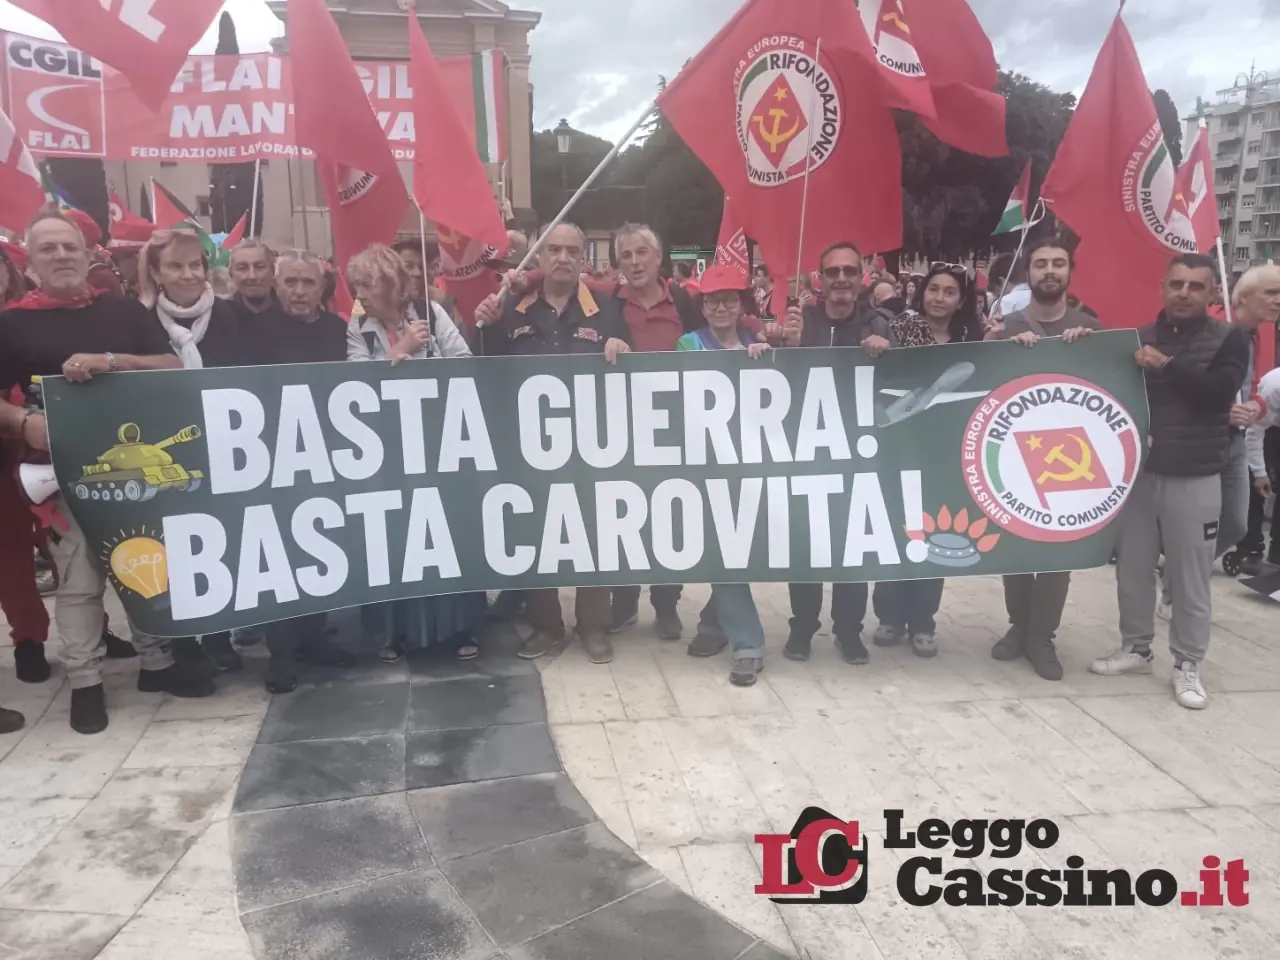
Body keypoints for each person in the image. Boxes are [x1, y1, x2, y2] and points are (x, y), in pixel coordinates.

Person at [0, 206, 209, 735]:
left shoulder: (122, 311)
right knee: (77, 578)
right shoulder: (11, 323)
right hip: (59, 472)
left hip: (136, 472)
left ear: (86, 253)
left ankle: (156, 663)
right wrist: (23, 422)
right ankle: (85, 682)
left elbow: (169, 365)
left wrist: (112, 361)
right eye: (48, 248)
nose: (61, 256)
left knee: (143, 561)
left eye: (69, 246)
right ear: (29, 261)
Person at [1093, 254, 1250, 710]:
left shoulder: (1230, 339)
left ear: (1213, 293)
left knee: (1190, 577)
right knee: (1133, 568)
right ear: (1162, 287)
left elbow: (1218, 393)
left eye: (1195, 286)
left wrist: (1164, 364)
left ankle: (1187, 662)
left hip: (1196, 473)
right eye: (1177, 284)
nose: (1184, 293)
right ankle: (1136, 647)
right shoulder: (1137, 337)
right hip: (1140, 474)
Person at [483, 222, 632, 664]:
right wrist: (485, 326)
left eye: (571, 250)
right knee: (536, 533)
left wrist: (624, 347)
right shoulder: (513, 310)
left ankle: (594, 625)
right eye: (554, 249)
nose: (563, 257)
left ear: (584, 258)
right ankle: (547, 625)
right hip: (530, 446)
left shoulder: (606, 311)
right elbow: (486, 368)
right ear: (540, 257)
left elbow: (629, 364)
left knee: (593, 533)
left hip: (590, 445)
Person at [344, 244, 486, 666]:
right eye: (356, 286)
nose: (360, 294)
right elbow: (352, 385)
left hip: (439, 447)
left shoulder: (433, 314)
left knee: (447, 533)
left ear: (390, 284)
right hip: (387, 454)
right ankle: (394, 632)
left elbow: (465, 363)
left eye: (367, 285)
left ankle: (459, 627)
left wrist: (429, 361)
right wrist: (397, 352)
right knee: (396, 539)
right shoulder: (358, 327)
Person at [141, 228, 259, 673]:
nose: (188, 274)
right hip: (165, 446)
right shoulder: (141, 320)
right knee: (174, 544)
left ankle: (217, 633)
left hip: (225, 444)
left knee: (218, 540)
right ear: (157, 273)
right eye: (176, 266)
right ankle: (180, 637)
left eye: (195, 265)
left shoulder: (231, 316)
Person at [780, 241, 894, 665]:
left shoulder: (879, 323)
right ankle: (803, 627)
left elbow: (902, 383)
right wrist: (787, 347)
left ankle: (848, 630)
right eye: (833, 271)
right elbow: (775, 386)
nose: (841, 278)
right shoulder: (801, 322)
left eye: (849, 270)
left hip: (860, 456)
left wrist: (887, 351)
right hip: (806, 453)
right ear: (820, 279)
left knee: (853, 548)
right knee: (805, 546)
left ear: (862, 276)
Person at [993, 239, 1102, 680]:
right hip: (1013, 454)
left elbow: (1107, 389)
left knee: (1058, 555)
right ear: (1028, 273)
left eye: (1058, 263)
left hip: (1070, 455)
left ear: (1070, 271)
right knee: (1015, 550)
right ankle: (1019, 626)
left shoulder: (1090, 327)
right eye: (1041, 264)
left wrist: (1090, 351)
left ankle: (1042, 637)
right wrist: (998, 346)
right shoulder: (1006, 325)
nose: (1049, 271)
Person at [253, 250, 357, 693]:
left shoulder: (337, 329)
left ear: (321, 288)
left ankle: (315, 636)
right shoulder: (255, 330)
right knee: (279, 556)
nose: (298, 291)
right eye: (290, 282)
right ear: (277, 287)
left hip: (325, 457)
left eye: (307, 283)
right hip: (272, 460)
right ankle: (281, 652)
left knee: (319, 547)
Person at [868, 263, 984, 658]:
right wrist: (877, 348)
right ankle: (889, 616)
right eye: (933, 289)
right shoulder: (898, 330)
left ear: (961, 300)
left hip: (944, 454)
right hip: (899, 446)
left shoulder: (973, 341)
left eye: (949, 292)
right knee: (895, 531)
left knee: (933, 533)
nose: (939, 298)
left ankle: (922, 622)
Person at [675, 265, 773, 685]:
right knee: (725, 549)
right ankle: (748, 643)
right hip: (705, 463)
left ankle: (714, 624)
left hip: (753, 464)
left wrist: (768, 357)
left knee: (739, 549)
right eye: (712, 301)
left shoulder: (757, 342)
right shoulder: (688, 343)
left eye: (729, 300)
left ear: (741, 305)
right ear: (702, 306)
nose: (720, 308)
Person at [1224, 264, 1280, 574]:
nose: (1278, 300)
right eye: (1271, 292)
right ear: (1244, 297)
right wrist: (1224, 411)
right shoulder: (1221, 331)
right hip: (1207, 438)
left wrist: (1253, 405)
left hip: (1237, 437)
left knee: (1236, 521)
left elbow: (1254, 389)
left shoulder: (1257, 335)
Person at [228, 240, 277, 316]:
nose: (252, 276)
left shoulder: (290, 312)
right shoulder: (220, 317)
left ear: (273, 270)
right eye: (242, 268)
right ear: (231, 273)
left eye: (259, 267)